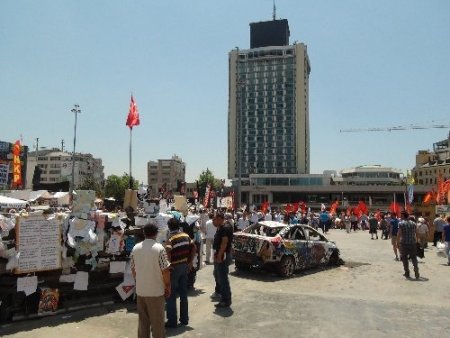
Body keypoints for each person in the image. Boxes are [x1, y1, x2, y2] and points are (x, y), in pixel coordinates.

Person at [131, 223, 171, 338]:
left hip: (141, 291)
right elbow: (165, 271)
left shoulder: (136, 248)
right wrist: (167, 286)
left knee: (143, 323)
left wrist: (139, 281)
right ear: (156, 233)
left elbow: (133, 269)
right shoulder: (159, 249)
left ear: (144, 233)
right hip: (156, 292)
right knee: (157, 323)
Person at [165, 218, 196, 328]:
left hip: (174, 268)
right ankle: (184, 319)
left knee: (171, 295)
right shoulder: (186, 235)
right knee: (183, 294)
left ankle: (172, 321)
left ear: (169, 227)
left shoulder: (170, 239)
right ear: (178, 226)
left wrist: (169, 266)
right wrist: (190, 262)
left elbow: (167, 252)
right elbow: (194, 247)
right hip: (184, 266)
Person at [212, 212, 233, 308]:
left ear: (220, 219)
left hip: (223, 255)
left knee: (223, 278)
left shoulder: (225, 227)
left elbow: (224, 243)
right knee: (219, 276)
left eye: (215, 219)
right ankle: (224, 297)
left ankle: (226, 300)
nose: (213, 221)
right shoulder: (222, 226)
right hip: (221, 254)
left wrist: (220, 255)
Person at [397, 211, 420, 279]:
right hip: (412, 243)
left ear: (403, 216)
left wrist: (397, 242)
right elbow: (417, 233)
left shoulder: (401, 223)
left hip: (404, 243)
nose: (400, 217)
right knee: (414, 258)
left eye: (401, 215)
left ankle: (407, 272)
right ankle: (416, 271)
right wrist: (417, 241)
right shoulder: (413, 223)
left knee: (404, 258)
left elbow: (399, 234)